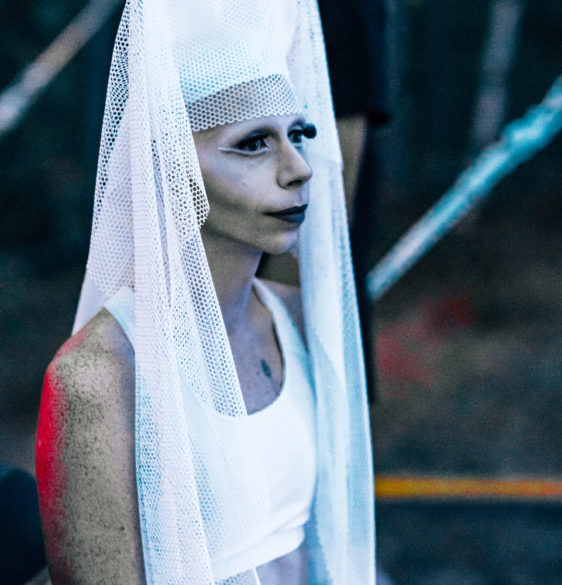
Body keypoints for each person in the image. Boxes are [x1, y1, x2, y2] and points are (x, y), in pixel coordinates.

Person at [36, 0, 375, 584]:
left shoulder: (296, 319)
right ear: (170, 166)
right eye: (253, 143)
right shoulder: (99, 376)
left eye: (298, 135)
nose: (299, 168)